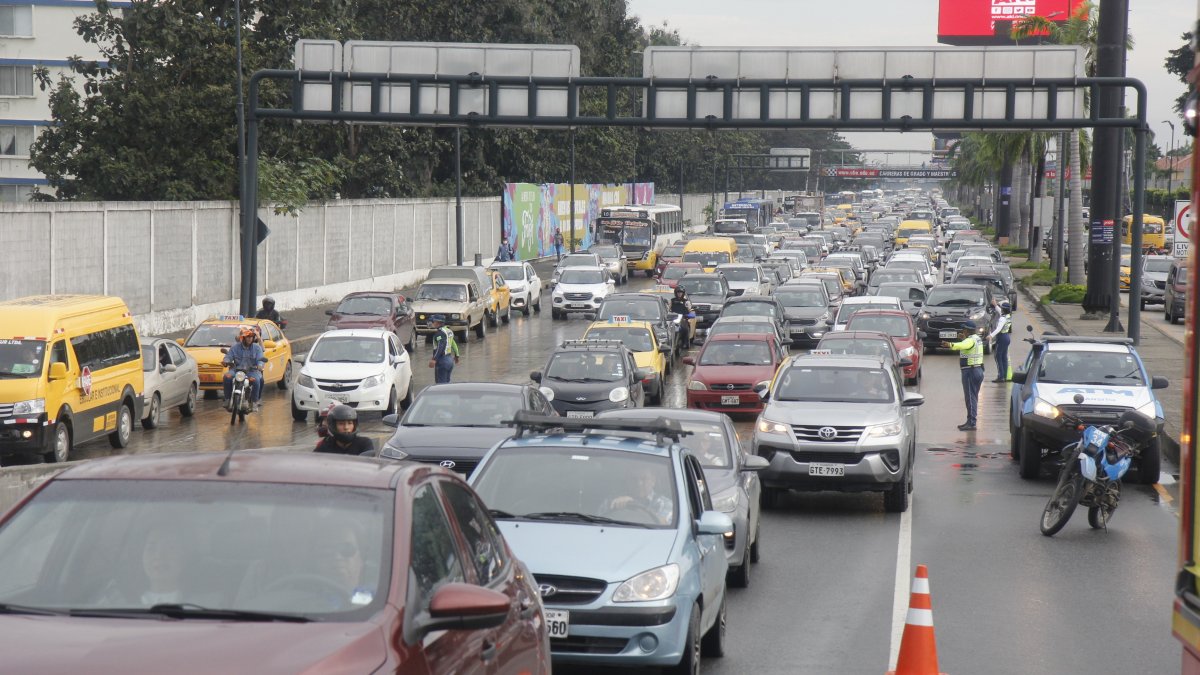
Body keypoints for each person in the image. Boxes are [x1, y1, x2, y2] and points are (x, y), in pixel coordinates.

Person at [942, 322, 985, 431]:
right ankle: (970, 420)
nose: (962, 332)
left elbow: (963, 345)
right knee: (973, 397)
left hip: (970, 371)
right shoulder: (976, 338)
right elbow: (966, 345)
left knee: (970, 398)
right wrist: (962, 339)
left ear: (967, 330)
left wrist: (950, 345)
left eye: (963, 330)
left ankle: (971, 422)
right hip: (977, 369)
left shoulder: (969, 340)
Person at [222, 326, 266, 411]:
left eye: (251, 337)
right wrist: (225, 361)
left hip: (252, 371)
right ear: (244, 338)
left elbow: (260, 359)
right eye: (248, 337)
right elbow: (228, 356)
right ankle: (227, 399)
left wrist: (260, 365)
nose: (249, 339)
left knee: (257, 380)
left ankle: (254, 402)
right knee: (226, 377)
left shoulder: (257, 348)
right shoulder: (235, 347)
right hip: (236, 370)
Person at [604, 471, 673, 525]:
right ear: (627, 481)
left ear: (653, 481)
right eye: (634, 479)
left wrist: (634, 503)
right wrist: (615, 507)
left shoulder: (665, 504)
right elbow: (599, 522)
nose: (639, 483)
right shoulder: (612, 500)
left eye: (644, 478)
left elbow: (665, 526)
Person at [427, 315, 460, 384]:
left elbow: (440, 346)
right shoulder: (449, 331)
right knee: (446, 384)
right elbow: (453, 344)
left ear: (438, 323)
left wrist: (434, 359)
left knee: (440, 385)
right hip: (449, 360)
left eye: (433, 322)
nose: (431, 323)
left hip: (442, 360)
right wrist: (457, 355)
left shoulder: (440, 333)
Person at [989, 301, 1013, 383]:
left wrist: (991, 336)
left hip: (1001, 337)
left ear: (1003, 310)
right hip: (1006, 337)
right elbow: (1000, 311)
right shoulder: (1008, 316)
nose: (1001, 309)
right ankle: (1005, 376)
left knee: (997, 357)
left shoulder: (1002, 319)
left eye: (1002, 308)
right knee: (1004, 357)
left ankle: (1001, 376)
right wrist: (995, 305)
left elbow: (998, 329)